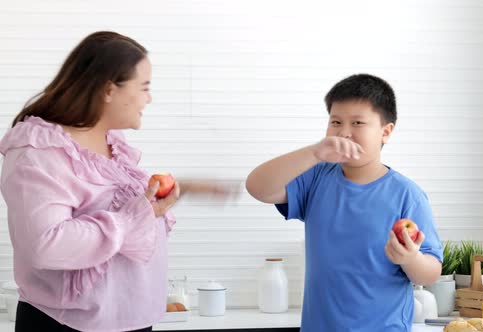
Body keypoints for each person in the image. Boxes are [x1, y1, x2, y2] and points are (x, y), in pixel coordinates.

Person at [0, 31, 232, 332]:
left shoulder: (112, 145)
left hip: (131, 324)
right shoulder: (38, 152)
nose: (149, 98)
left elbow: (123, 214)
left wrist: (175, 192)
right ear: (109, 90)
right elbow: (45, 245)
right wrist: (130, 220)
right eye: (144, 87)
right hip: (66, 327)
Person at [246, 74, 443, 331]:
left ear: (386, 131)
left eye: (358, 123)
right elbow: (258, 187)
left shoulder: (408, 195)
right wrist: (315, 153)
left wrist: (409, 258)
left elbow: (430, 273)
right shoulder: (316, 178)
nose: (344, 132)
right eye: (336, 122)